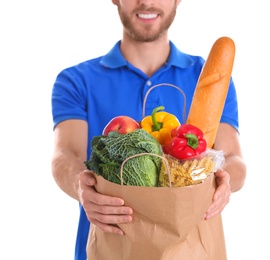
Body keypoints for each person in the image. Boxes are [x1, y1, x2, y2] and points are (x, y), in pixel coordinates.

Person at [51, 0, 247, 259]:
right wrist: (80, 187)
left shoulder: (206, 76)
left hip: (189, 248)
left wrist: (223, 182)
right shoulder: (76, 80)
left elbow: (233, 158)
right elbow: (65, 155)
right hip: (112, 244)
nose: (148, 1)